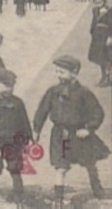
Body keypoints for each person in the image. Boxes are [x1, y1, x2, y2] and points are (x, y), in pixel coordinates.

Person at [33, 54, 108, 207]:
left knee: (89, 163)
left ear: (74, 72)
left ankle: (97, 189)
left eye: (62, 72)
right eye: (57, 71)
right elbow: (42, 111)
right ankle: (58, 199)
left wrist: (88, 128)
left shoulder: (84, 93)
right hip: (59, 135)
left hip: (79, 135)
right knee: (60, 167)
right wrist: (36, 129)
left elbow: (97, 113)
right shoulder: (53, 91)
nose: (58, 75)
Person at [0, 68, 31, 209]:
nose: (10, 89)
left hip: (14, 144)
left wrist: (26, 140)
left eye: (12, 85)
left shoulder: (18, 103)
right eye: (6, 85)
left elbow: (24, 122)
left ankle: (19, 199)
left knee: (15, 169)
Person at [88, 0, 111, 87]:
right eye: (96, 2)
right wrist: (92, 32)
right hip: (97, 36)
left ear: (104, 1)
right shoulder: (95, 10)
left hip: (106, 35)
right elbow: (93, 22)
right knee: (98, 57)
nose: (98, 3)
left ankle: (107, 78)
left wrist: (110, 36)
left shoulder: (109, 10)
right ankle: (103, 76)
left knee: (106, 57)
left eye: (100, 1)